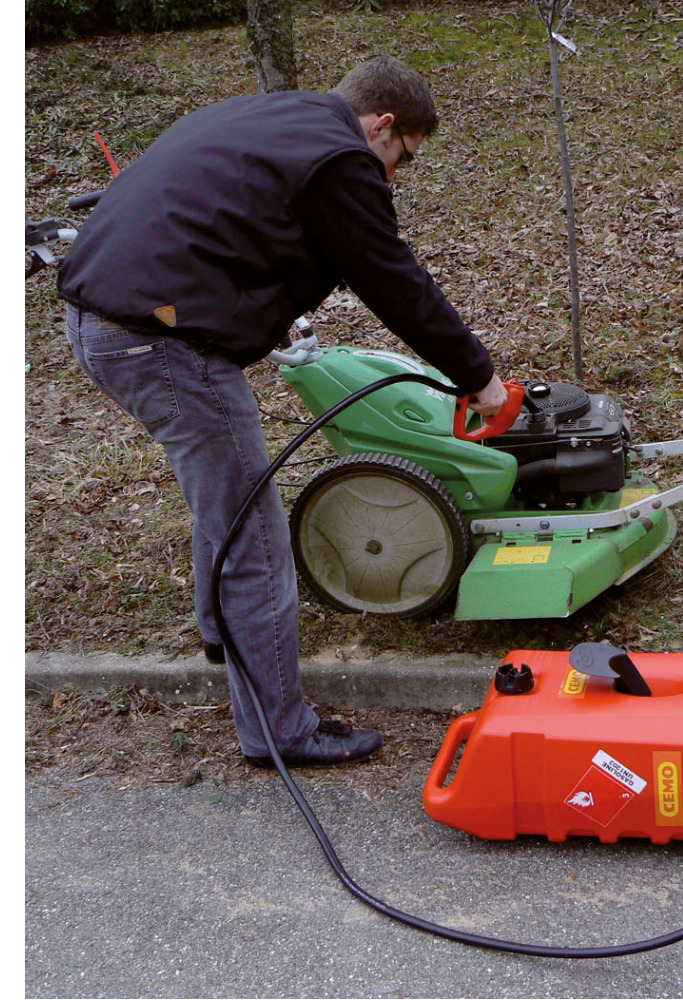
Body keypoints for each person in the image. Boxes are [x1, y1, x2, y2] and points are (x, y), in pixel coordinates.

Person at [57, 55, 507, 768]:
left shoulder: (273, 115)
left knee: (226, 498)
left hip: (103, 320)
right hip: (158, 342)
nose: (394, 176)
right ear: (382, 124)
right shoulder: (341, 158)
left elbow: (226, 215)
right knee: (256, 535)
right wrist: (479, 379)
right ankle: (279, 731)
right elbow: (392, 278)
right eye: (404, 156)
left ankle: (222, 633)